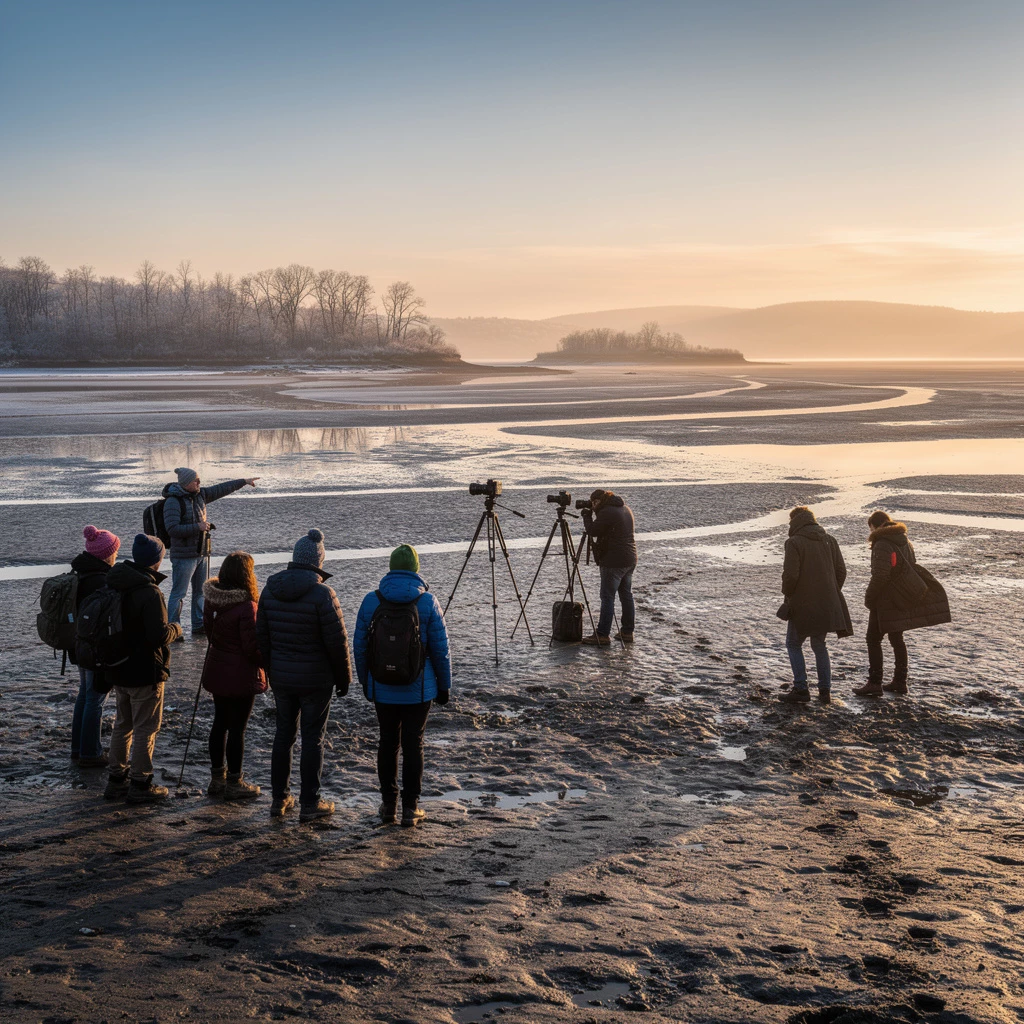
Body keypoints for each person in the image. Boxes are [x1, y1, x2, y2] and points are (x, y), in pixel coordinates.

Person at [354, 544, 452, 828]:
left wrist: (365, 681)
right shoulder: (428, 602)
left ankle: (388, 805)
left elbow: (359, 647)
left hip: (382, 686)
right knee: (413, 745)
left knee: (387, 743)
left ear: (391, 567)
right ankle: (410, 808)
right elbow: (441, 649)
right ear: (415, 569)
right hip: (419, 690)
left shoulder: (371, 601)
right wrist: (444, 686)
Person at [256, 529, 352, 821]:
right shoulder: (323, 594)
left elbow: (262, 639)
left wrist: (271, 671)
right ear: (318, 561)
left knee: (283, 735)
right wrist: (344, 679)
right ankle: (310, 803)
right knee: (312, 739)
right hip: (315, 681)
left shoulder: (270, 590)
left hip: (282, 679)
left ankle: (279, 799)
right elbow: (337, 642)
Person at [104, 534, 183, 804]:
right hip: (144, 670)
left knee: (122, 724)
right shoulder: (150, 591)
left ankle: (116, 779)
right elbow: (157, 636)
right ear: (156, 560)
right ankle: (140, 783)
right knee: (145, 728)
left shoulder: (116, 583)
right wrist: (176, 628)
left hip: (118, 666)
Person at [853, 511, 951, 697]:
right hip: (902, 598)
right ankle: (900, 681)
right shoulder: (904, 540)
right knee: (897, 639)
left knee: (873, 639)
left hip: (886, 599)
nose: (871, 532)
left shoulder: (882, 543)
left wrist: (869, 598)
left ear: (875, 526)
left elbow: (880, 576)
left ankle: (875, 682)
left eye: (871, 528)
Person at [200, 551, 267, 801]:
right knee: (237, 728)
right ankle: (234, 782)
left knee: (220, 723)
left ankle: (217, 778)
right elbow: (252, 649)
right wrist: (268, 660)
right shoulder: (247, 606)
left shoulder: (212, 600)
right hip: (241, 675)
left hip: (218, 669)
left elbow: (210, 634)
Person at [163, 467, 260, 637]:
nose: (199, 482)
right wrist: (198, 527)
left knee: (201, 592)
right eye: (195, 480)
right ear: (185, 483)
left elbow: (222, 488)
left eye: (198, 479)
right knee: (179, 593)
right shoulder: (172, 502)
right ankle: (174, 628)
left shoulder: (201, 494)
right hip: (184, 556)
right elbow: (172, 529)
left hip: (202, 553)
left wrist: (243, 481)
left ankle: (198, 624)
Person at [778, 506, 853, 703]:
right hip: (826, 603)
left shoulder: (793, 542)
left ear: (794, 521)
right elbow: (841, 571)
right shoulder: (830, 540)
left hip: (802, 603)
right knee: (819, 645)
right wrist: (830, 592)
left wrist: (788, 594)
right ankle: (825, 691)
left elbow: (790, 575)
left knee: (793, 643)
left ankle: (801, 688)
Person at [69, 525, 121, 766]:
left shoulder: (80, 573)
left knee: (85, 695)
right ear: (106, 554)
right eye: (115, 551)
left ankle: (78, 748)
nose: (117, 554)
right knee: (95, 698)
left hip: (78, 646)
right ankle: (90, 753)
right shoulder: (101, 581)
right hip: (93, 650)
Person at [580, 488, 637, 646]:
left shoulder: (607, 512)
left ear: (598, 501)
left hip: (614, 561)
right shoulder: (624, 508)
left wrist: (586, 516)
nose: (593, 506)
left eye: (594, 503)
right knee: (626, 595)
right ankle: (627, 632)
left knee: (607, 597)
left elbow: (593, 531)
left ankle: (602, 634)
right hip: (630, 558)